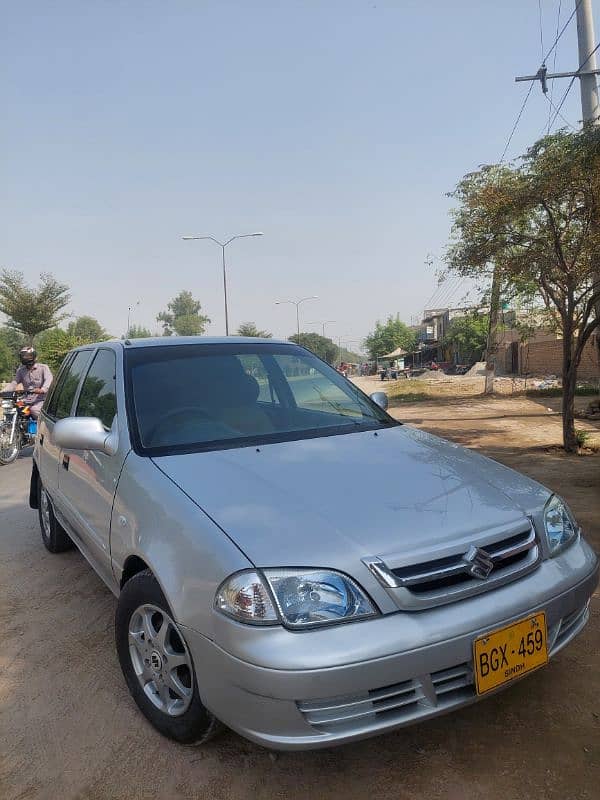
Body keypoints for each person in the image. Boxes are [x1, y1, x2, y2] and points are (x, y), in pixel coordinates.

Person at [5, 346, 53, 419]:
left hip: (41, 400)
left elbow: (49, 380)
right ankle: (15, 427)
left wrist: (42, 390)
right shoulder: (21, 371)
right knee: (13, 407)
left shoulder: (43, 368)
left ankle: (39, 428)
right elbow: (14, 383)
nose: (25, 358)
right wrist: (3, 392)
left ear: (34, 356)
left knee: (34, 410)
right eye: (23, 356)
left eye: (28, 356)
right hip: (26, 400)